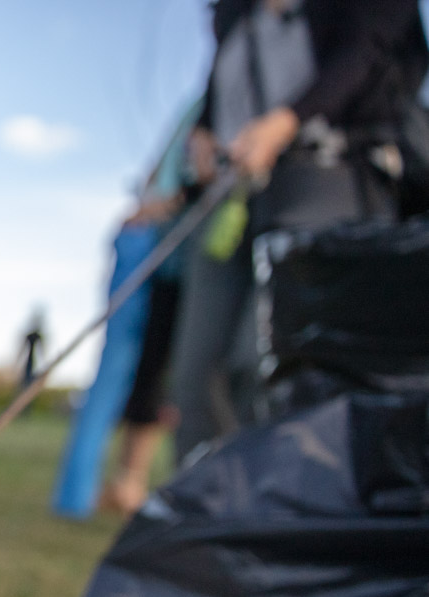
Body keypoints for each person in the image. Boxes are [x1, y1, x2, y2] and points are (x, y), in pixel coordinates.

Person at [168, 0, 428, 462]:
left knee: (269, 361)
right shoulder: (234, 16)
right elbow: (220, 87)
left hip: (327, 183)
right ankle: (207, 511)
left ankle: (278, 509)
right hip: (233, 198)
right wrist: (205, 130)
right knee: (195, 370)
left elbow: (362, 56)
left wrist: (285, 121)